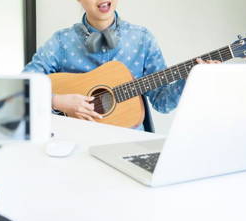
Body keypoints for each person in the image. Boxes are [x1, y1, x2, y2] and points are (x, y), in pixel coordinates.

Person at [23, 0, 219, 130]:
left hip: (129, 144)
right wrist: (58, 101)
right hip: (75, 143)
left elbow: (163, 103)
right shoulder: (61, 42)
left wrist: (190, 78)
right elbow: (22, 87)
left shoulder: (142, 39)